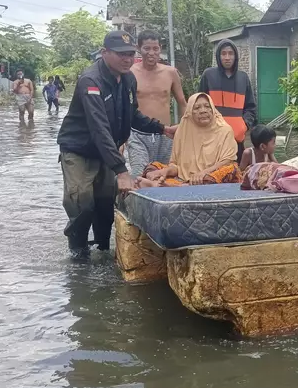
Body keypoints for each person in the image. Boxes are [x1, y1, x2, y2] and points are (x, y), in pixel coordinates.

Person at [56, 31, 177, 257]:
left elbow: (132, 114)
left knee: (105, 203)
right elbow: (98, 128)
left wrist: (163, 129)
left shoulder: (128, 79)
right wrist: (121, 171)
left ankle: (102, 250)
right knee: (81, 201)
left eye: (130, 54)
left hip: (106, 150)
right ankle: (78, 252)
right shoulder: (90, 82)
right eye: (121, 54)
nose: (127, 59)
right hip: (79, 150)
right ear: (104, 53)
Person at [136, 93, 240, 187]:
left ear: (213, 109)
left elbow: (227, 161)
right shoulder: (183, 130)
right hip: (184, 179)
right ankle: (161, 182)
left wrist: (203, 173)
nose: (203, 110)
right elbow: (177, 167)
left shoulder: (225, 130)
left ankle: (170, 186)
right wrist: (165, 172)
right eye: (197, 108)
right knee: (152, 168)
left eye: (207, 107)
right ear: (190, 112)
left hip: (212, 176)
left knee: (230, 169)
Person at [128, 31, 187, 178]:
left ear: (160, 48)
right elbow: (124, 108)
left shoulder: (170, 72)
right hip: (138, 135)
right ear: (138, 49)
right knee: (139, 177)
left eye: (155, 49)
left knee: (166, 177)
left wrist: (184, 128)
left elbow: (182, 102)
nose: (151, 53)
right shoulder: (130, 73)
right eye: (146, 49)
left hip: (166, 134)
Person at [199, 40, 257, 161]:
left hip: (237, 140)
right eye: (223, 53)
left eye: (230, 53)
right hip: (212, 139)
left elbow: (251, 108)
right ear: (218, 56)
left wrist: (244, 125)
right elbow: (199, 105)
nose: (227, 57)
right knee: (213, 175)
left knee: (236, 175)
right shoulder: (208, 75)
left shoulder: (243, 78)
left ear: (235, 56)